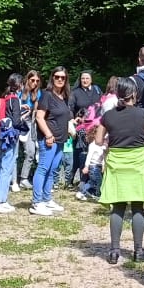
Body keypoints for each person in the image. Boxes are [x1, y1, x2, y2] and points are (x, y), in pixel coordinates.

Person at [98, 78, 144, 264]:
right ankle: (138, 250)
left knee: (118, 206)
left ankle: (114, 251)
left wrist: (111, 145)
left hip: (116, 163)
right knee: (138, 207)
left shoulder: (108, 116)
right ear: (134, 94)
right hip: (138, 163)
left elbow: (99, 140)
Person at [30, 67, 75, 216]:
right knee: (43, 168)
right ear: (52, 78)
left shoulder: (65, 97)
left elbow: (66, 117)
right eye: (57, 77)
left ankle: (47, 198)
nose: (60, 80)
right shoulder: (47, 95)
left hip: (61, 139)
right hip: (49, 139)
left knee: (52, 170)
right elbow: (39, 117)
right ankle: (37, 202)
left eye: (63, 77)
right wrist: (48, 135)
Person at [0, 73, 27, 213]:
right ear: (20, 85)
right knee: (7, 168)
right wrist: (23, 116)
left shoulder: (4, 98)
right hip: (9, 137)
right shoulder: (15, 99)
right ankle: (2, 201)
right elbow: (15, 121)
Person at [69, 70, 101, 186]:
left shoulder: (97, 90)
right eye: (83, 78)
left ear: (91, 79)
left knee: (94, 151)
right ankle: (79, 178)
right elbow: (70, 107)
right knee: (81, 152)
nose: (85, 80)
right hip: (81, 127)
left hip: (96, 126)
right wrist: (73, 119)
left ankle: (91, 178)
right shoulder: (75, 92)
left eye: (87, 78)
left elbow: (101, 105)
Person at [17, 70, 42, 189]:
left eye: (37, 81)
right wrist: (22, 108)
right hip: (19, 124)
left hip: (31, 123)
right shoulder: (20, 92)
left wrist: (33, 111)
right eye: (32, 80)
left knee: (31, 152)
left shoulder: (38, 93)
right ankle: (14, 181)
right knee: (15, 154)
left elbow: (38, 110)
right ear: (27, 80)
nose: (35, 83)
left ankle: (24, 178)